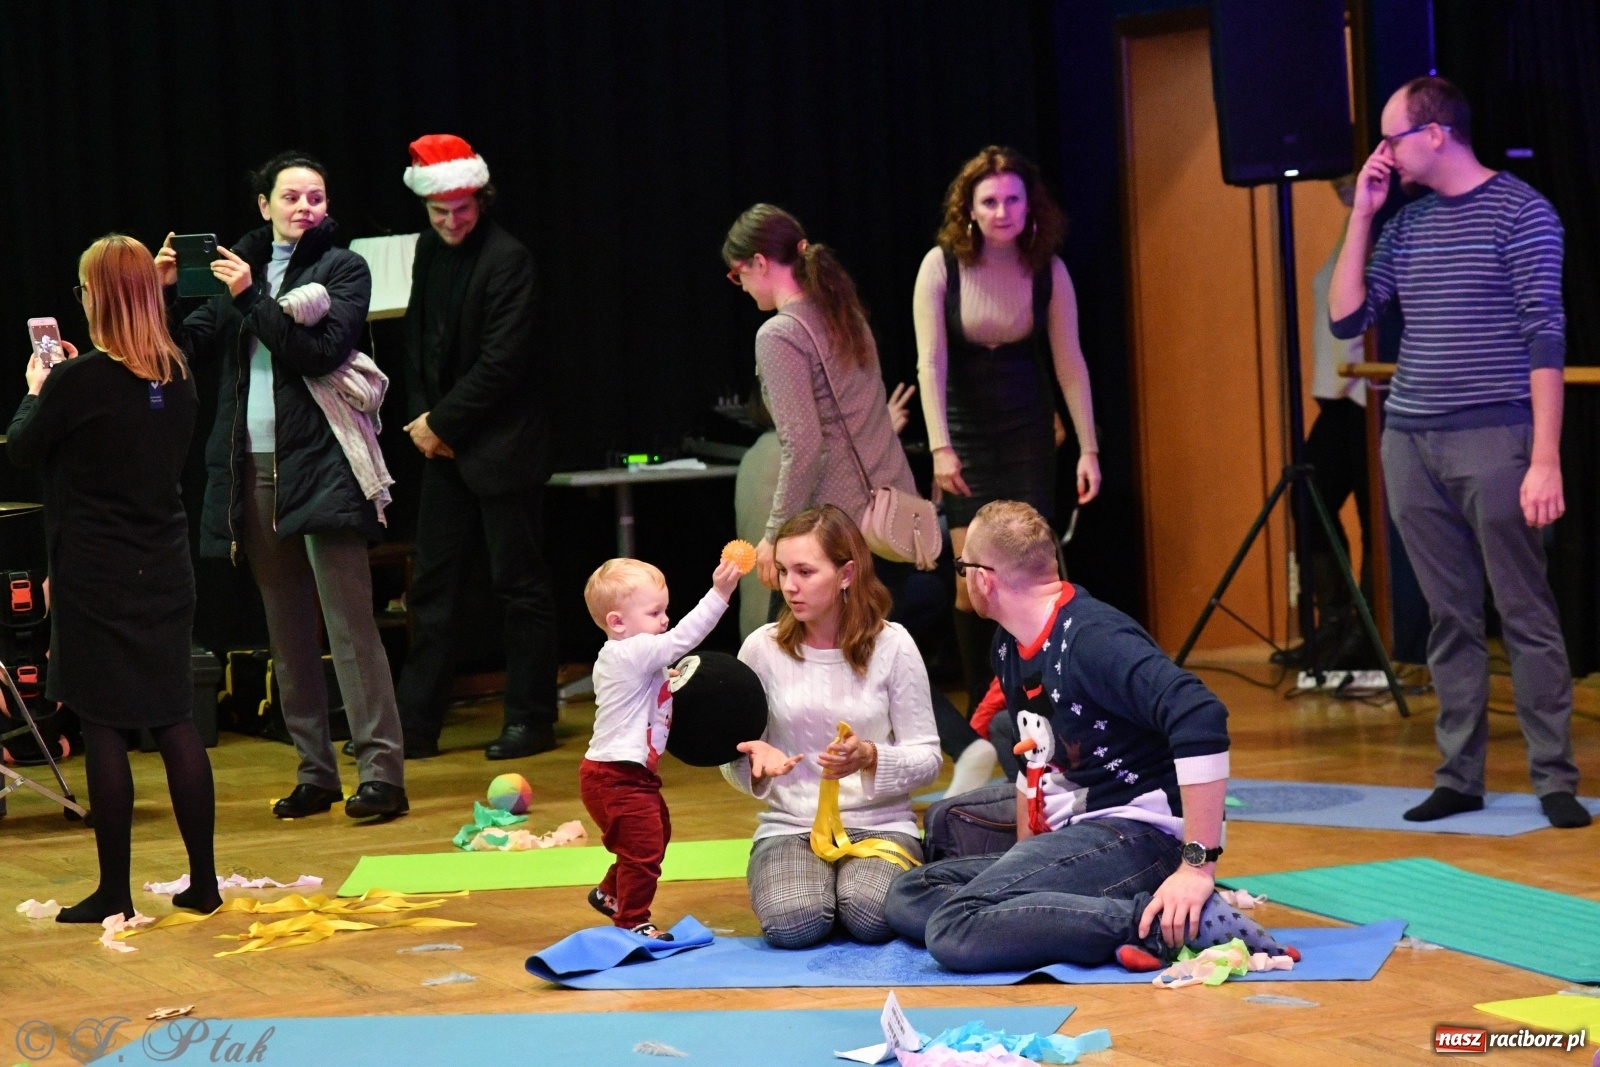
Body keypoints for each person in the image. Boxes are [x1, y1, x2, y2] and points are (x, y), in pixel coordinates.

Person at [1328, 76, 1588, 829]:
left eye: (1393, 138)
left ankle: (1553, 777)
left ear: (1436, 133)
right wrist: (1362, 215)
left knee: (1524, 608)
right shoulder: (1406, 224)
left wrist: (1545, 457)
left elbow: (1546, 337)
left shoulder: (1522, 212)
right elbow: (1346, 318)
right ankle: (1459, 776)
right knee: (1448, 615)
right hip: (1410, 439)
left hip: (1496, 435)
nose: (1384, 154)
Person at [884, 501, 1297, 973]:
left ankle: (1159, 922)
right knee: (910, 893)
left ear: (983, 578)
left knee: (953, 927)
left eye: (962, 567)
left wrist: (1197, 867)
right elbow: (1033, 757)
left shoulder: (1093, 637)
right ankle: (1125, 915)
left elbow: (1200, 713)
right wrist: (1026, 864)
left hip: (1141, 835)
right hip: (1082, 833)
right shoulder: (1009, 642)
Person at [162, 152, 407, 820]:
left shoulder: (343, 268)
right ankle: (314, 772)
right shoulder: (235, 268)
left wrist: (252, 298)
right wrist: (167, 291)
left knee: (351, 627)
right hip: (254, 468)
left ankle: (382, 773)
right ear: (264, 205)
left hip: (324, 464)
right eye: (291, 197)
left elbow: (318, 353)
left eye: (316, 197)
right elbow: (184, 350)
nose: (305, 207)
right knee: (287, 627)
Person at [723, 204, 990, 796]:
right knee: (870, 646)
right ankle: (960, 747)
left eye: (737, 274)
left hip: (839, 529)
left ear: (760, 263)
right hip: (893, 517)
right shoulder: (842, 312)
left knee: (790, 643)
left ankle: (783, 775)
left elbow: (803, 444)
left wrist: (773, 535)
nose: (739, 286)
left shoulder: (780, 333)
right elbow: (865, 423)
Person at [8, 234, 221, 922]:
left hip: (94, 571)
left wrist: (37, 388)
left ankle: (115, 891)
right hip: (164, 563)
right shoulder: (177, 374)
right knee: (173, 718)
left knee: (101, 723)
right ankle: (204, 881)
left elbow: (22, 448)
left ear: (95, 296)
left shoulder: (76, 382)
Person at [913, 146, 1101, 738]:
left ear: (1029, 205)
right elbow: (929, 364)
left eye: (1013, 199)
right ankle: (981, 715)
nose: (1002, 211)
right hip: (965, 432)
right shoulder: (941, 266)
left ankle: (1037, 708)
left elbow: (1071, 363)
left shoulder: (1049, 269)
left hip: (1026, 430)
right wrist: (940, 447)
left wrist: (1089, 448)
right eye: (990, 201)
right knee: (972, 583)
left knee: (1028, 578)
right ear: (968, 209)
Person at [394, 133, 558, 762]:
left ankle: (531, 719)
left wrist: (442, 423)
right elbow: (416, 339)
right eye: (440, 211)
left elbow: (503, 362)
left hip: (501, 448)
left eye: (461, 209)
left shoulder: (509, 259)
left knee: (518, 587)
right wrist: (422, 420)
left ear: (479, 199)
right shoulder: (427, 249)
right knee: (432, 589)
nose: (451, 221)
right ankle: (414, 726)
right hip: (444, 447)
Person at [723, 506, 942, 948]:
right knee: (793, 924)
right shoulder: (761, 648)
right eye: (783, 570)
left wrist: (871, 757)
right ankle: (821, 894)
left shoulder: (893, 644)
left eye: (805, 571)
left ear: (846, 574)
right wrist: (755, 766)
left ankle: (846, 895)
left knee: (871, 916)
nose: (789, 585)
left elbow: (929, 758)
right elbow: (734, 757)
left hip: (881, 824)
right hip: (790, 826)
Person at [579, 555, 741, 939]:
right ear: (618, 622)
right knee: (643, 850)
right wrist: (719, 594)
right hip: (616, 777)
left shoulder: (623, 657)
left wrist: (664, 677)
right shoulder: (631, 652)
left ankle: (610, 892)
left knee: (653, 836)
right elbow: (683, 638)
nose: (665, 620)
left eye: (665, 611)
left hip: (623, 775)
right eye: (654, 613)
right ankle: (632, 920)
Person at [1275, 176, 1373, 670]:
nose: (1336, 179)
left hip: (1370, 397)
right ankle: (1335, 624)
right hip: (1339, 399)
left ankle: (1371, 635)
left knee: (1379, 520)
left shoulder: (1383, 224)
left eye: (1346, 170)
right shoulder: (1352, 225)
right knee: (1308, 501)